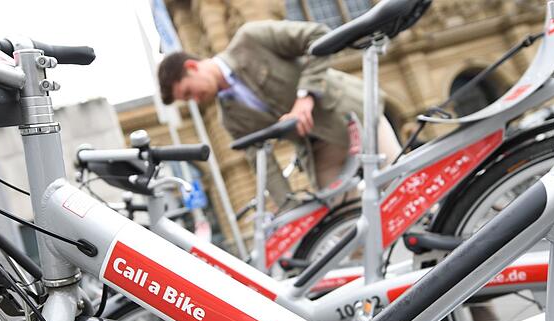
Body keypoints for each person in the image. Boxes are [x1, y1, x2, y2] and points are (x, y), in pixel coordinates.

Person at [157, 19, 400, 205]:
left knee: (404, 188)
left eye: (189, 92)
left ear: (192, 67)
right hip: (319, 151)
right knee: (341, 228)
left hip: (353, 116)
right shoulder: (229, 118)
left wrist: (305, 96)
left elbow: (318, 35)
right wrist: (288, 207)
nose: (196, 100)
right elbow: (264, 164)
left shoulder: (250, 39)